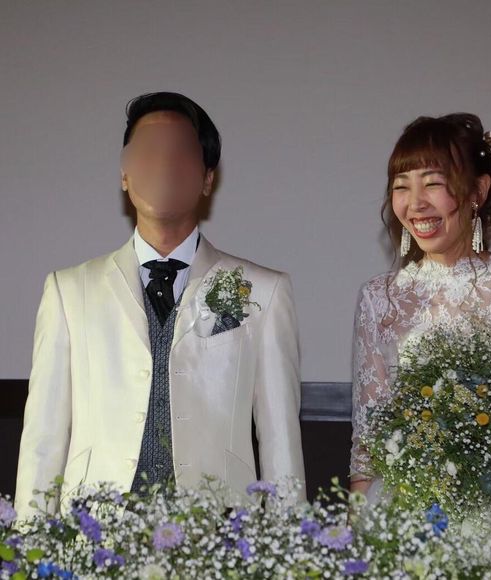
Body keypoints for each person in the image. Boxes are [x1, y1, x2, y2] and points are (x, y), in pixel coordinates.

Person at [15, 92, 305, 520]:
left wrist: (290, 539)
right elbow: (44, 437)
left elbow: (281, 438)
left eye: (180, 151)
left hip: (218, 532)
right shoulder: (69, 291)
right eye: (148, 149)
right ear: (124, 173)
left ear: (208, 178)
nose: (164, 162)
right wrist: (30, 543)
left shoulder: (265, 291)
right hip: (96, 531)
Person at [349, 113, 491, 553]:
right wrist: (357, 529)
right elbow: (368, 431)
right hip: (411, 508)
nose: (415, 203)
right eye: (401, 186)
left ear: (478, 191)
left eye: (433, 183)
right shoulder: (379, 297)